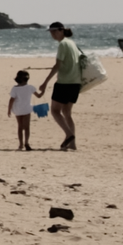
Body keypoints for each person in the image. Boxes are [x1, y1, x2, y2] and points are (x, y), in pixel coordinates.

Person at [35, 22, 83, 151]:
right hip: (75, 82)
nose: (53, 34)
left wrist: (45, 82)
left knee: (55, 111)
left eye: (55, 31)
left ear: (61, 31)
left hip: (64, 82)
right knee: (67, 112)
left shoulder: (63, 44)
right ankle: (72, 144)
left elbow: (58, 65)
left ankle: (69, 135)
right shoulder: (72, 43)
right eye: (51, 32)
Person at [8, 68, 36, 151]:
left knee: (20, 127)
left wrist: (9, 110)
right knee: (27, 127)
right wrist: (43, 90)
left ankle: (20, 144)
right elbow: (39, 95)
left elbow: (11, 100)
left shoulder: (15, 88)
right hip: (26, 109)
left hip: (18, 110)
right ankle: (26, 142)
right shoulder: (30, 87)